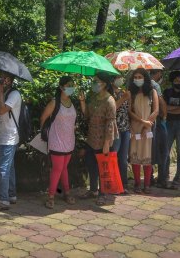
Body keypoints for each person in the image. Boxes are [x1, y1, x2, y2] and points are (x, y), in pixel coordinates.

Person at [41, 76, 79, 209]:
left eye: (73, 85)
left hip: (69, 141)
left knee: (63, 168)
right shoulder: (54, 102)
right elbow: (44, 118)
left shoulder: (72, 102)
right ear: (61, 87)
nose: (72, 87)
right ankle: (51, 196)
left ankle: (66, 193)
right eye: (69, 85)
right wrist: (45, 134)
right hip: (56, 140)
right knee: (57, 168)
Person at [80, 74, 118, 205]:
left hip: (103, 140)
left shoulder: (110, 100)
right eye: (94, 81)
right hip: (92, 138)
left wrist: (107, 143)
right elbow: (87, 116)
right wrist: (82, 102)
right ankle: (93, 190)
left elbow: (110, 123)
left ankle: (103, 193)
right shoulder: (93, 98)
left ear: (105, 84)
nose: (94, 84)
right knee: (91, 165)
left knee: (103, 168)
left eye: (97, 82)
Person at [0, 71, 22, 212]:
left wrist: (0, 93)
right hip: (5, 135)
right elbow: (0, 113)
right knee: (9, 167)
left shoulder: (14, 94)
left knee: (3, 168)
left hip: (9, 137)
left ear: (9, 80)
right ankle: (11, 195)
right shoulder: (7, 93)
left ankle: (3, 200)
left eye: (2, 77)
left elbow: (2, 110)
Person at [128, 68, 159, 193]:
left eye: (140, 77)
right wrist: (142, 122)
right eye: (135, 77)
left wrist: (147, 125)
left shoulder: (152, 92)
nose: (137, 79)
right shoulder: (131, 93)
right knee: (135, 155)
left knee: (147, 156)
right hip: (136, 127)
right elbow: (130, 111)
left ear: (145, 78)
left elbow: (156, 111)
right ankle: (136, 184)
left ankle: (146, 185)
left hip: (149, 127)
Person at [111, 75, 131, 194]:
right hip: (115, 129)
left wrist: (128, 98)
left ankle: (123, 184)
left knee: (123, 159)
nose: (120, 80)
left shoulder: (124, 92)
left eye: (121, 77)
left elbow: (128, 110)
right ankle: (112, 183)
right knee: (114, 156)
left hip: (126, 129)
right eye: (117, 77)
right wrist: (123, 98)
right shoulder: (109, 93)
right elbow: (112, 109)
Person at [150, 69, 169, 188]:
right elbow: (161, 105)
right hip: (157, 121)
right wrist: (164, 115)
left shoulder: (132, 83)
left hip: (146, 121)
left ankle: (150, 177)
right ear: (156, 73)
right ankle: (162, 178)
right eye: (160, 73)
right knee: (162, 150)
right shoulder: (155, 85)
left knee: (150, 150)